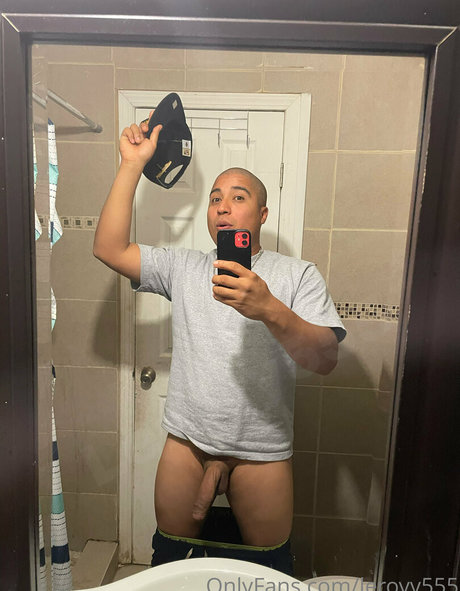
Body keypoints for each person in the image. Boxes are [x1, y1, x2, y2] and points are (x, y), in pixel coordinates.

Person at [93, 112, 346, 574]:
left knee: (266, 572)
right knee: (170, 564)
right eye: (215, 198)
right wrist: (132, 164)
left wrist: (269, 308)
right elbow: (109, 248)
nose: (223, 207)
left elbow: (326, 358)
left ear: (262, 215)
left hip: (261, 450)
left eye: (238, 197)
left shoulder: (297, 275)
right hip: (188, 442)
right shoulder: (184, 267)